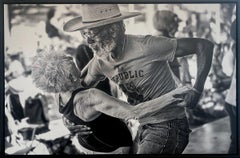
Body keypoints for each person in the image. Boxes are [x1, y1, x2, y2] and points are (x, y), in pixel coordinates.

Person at [63, 4, 214, 154]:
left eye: (94, 34)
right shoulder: (100, 61)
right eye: (85, 34)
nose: (89, 41)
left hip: (169, 124)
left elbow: (203, 46)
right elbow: (74, 93)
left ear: (114, 30)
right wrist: (69, 120)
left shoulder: (147, 46)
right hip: (142, 124)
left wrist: (197, 89)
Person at [31, 50, 191, 153]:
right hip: (113, 147)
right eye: (74, 66)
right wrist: (172, 96)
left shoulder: (59, 94)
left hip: (86, 146)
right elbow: (135, 112)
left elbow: (67, 113)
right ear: (71, 77)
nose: (78, 67)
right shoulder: (90, 97)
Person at [223, 19, 237, 154]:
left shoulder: (233, 47)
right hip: (235, 101)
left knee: (236, 141)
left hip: (231, 100)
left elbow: (228, 70)